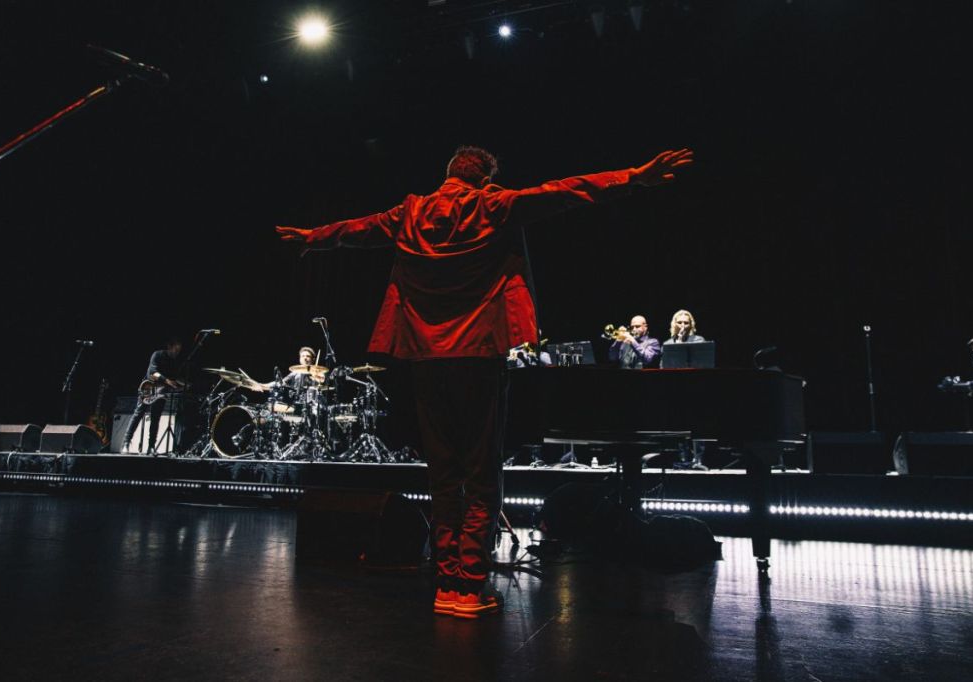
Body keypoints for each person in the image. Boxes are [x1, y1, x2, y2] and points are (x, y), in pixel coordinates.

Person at [276, 145, 693, 618]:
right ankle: (469, 587)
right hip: (476, 352)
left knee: (443, 471)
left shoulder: (410, 212)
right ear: (484, 178)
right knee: (479, 470)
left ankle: (446, 581)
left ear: (449, 173)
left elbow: (357, 230)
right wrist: (635, 175)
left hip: (425, 356)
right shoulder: (492, 204)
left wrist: (314, 235)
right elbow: (567, 191)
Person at [122, 338, 186, 454]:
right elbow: (152, 372)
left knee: (155, 419)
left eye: (179, 350)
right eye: (176, 349)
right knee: (138, 414)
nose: (177, 352)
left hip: (161, 393)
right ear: (169, 347)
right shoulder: (158, 355)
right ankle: (126, 443)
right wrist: (167, 381)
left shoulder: (175, 362)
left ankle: (151, 447)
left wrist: (183, 385)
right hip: (148, 388)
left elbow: (175, 379)